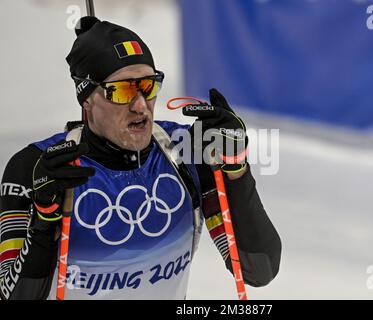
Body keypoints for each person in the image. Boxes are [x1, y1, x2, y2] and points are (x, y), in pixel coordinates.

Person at [0, 17, 281, 300]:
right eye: (121, 91)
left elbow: (259, 269)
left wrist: (236, 169)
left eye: (148, 86)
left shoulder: (185, 153)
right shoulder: (39, 167)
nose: (140, 106)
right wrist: (45, 218)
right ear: (86, 99)